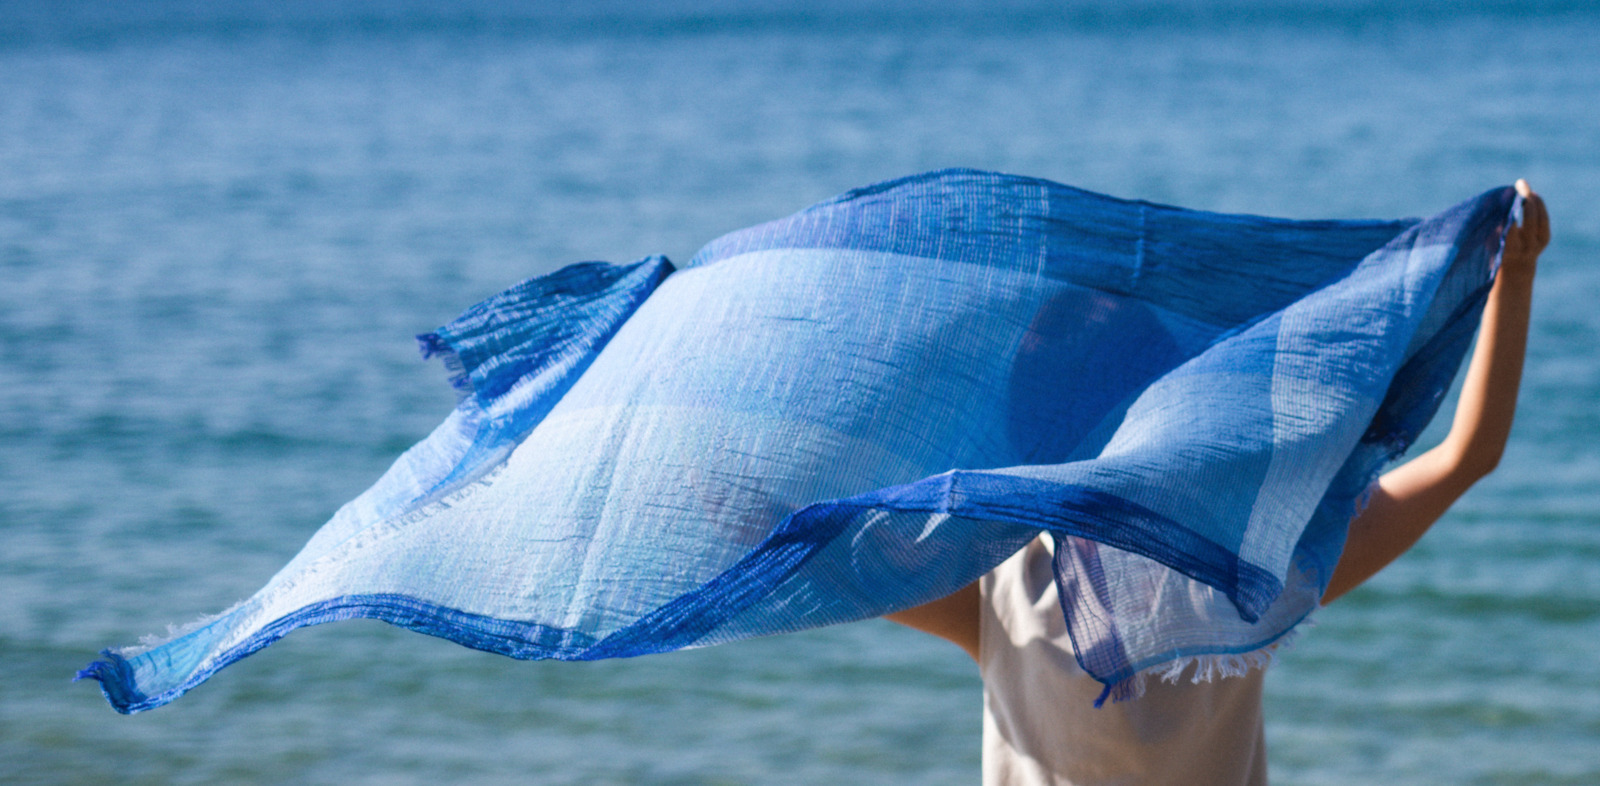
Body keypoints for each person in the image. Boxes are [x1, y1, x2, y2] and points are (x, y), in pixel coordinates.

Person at [885, 181, 1551, 785]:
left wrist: (1514, 279)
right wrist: (1512, 281)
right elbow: (1466, 458)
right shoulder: (1244, 572)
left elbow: (830, 557)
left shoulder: (1007, 584)